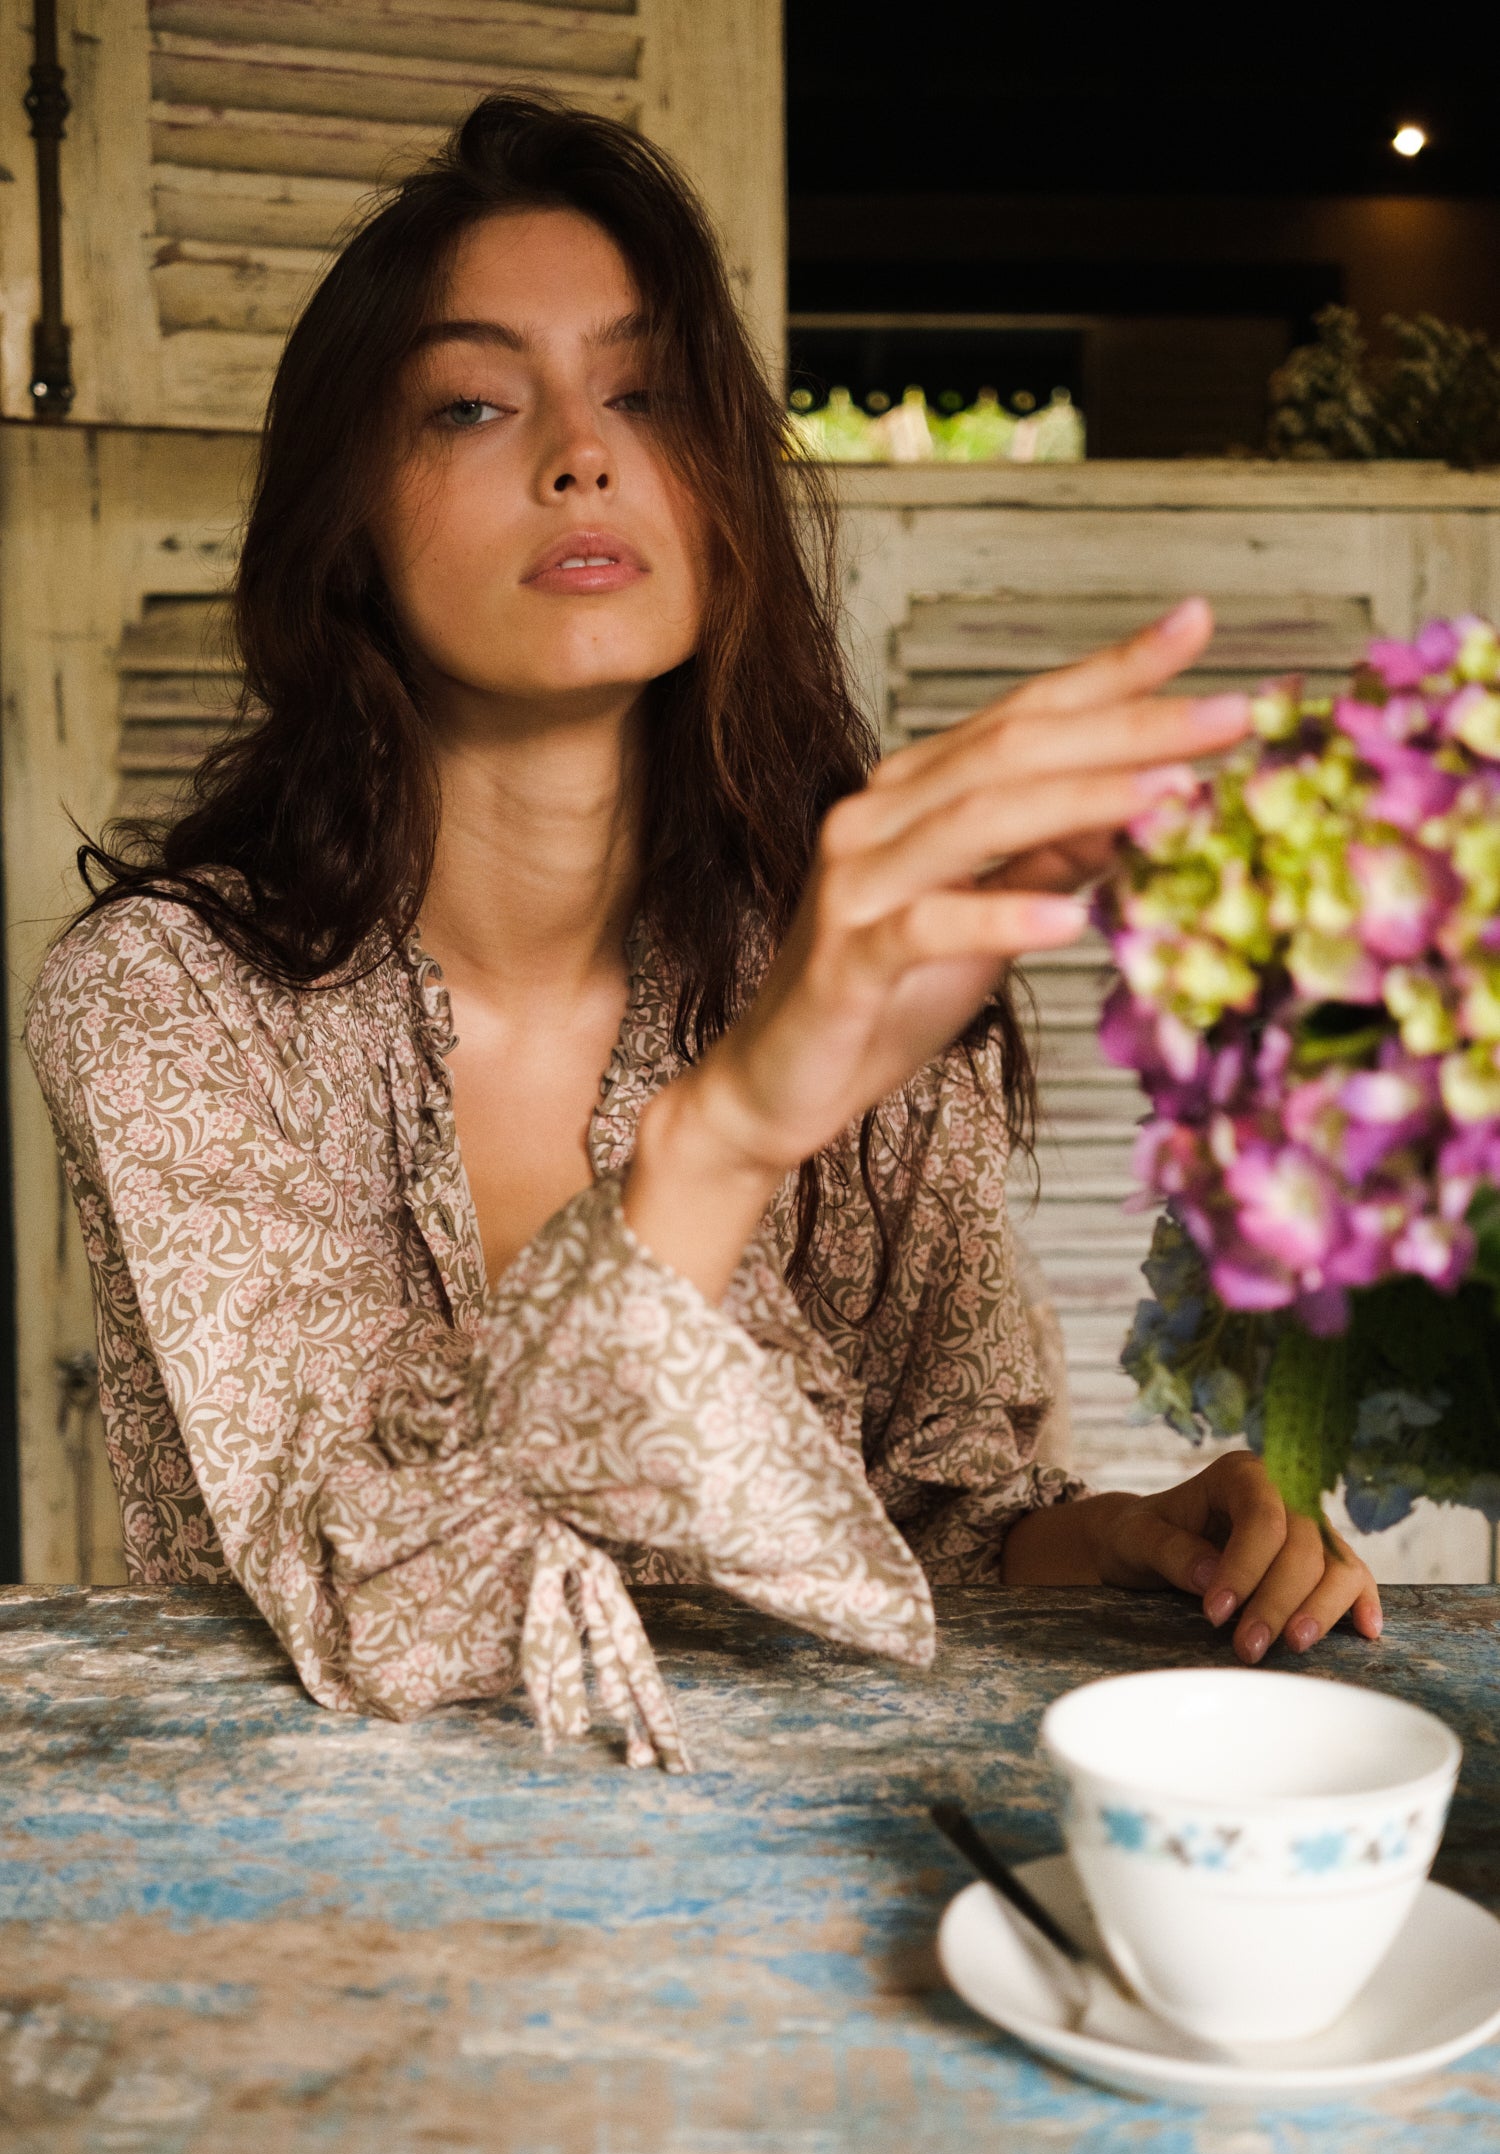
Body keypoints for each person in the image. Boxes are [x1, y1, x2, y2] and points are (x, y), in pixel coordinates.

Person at [24, 96, 1381, 1770]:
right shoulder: (171, 1001)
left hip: (824, 1902)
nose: (581, 450)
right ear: (349, 528)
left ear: (723, 489)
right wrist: (730, 1129)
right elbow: (371, 1599)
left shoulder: (850, 955)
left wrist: (1117, 1542)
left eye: (645, 392)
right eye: (469, 401)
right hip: (346, 1922)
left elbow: (939, 1519)